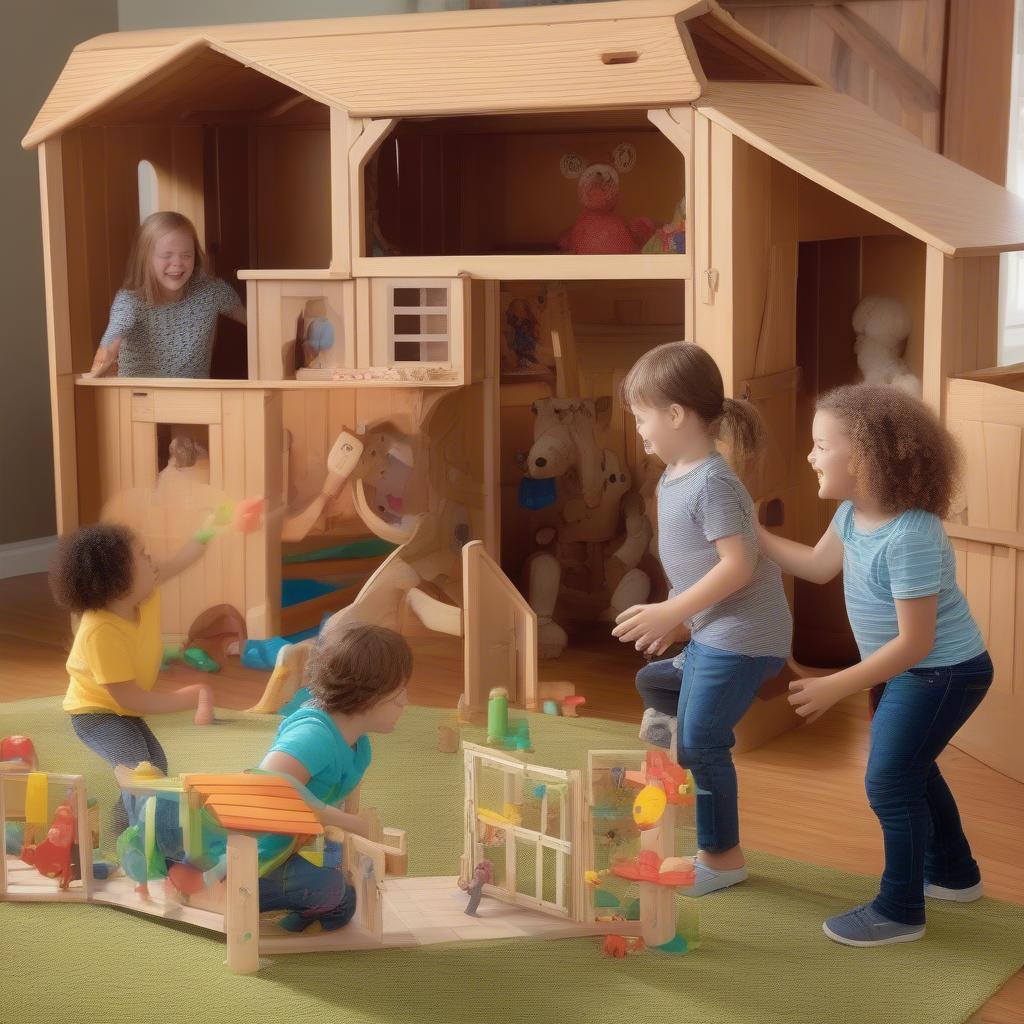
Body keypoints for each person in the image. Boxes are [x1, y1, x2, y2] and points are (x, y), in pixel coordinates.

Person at [757, 384, 991, 947]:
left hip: (941, 673)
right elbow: (816, 567)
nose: (810, 456)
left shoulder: (911, 534)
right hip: (904, 672)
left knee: (889, 779)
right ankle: (955, 875)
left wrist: (836, 684)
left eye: (820, 445)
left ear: (863, 456)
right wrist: (754, 535)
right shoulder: (849, 515)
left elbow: (915, 643)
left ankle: (900, 909)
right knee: (912, 767)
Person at [613, 341, 792, 896]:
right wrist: (681, 623)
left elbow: (739, 566)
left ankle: (722, 859)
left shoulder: (713, 481)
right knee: (652, 680)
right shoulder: (675, 475)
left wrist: (673, 610)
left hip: (745, 635)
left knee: (702, 744)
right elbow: (698, 569)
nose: (639, 429)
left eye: (642, 418)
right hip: (714, 631)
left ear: (675, 415)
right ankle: (676, 726)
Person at [246, 621, 412, 932]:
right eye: (400, 692)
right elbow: (265, 786)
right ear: (368, 695)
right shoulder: (314, 735)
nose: (406, 701)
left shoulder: (358, 745)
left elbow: (339, 819)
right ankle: (254, 900)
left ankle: (296, 911)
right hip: (253, 857)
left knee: (343, 901)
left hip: (285, 852)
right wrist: (347, 822)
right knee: (337, 897)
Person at [52, 522, 216, 835]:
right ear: (118, 582)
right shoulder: (100, 630)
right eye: (142, 555)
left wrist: (205, 531)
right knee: (140, 771)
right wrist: (192, 696)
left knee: (156, 765)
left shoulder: (142, 594)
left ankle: (123, 824)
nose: (152, 559)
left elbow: (179, 562)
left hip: (122, 709)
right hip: (96, 714)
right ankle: (139, 838)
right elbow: (129, 698)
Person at [84, 211, 245, 378]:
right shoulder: (130, 301)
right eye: (166, 255)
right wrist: (98, 372)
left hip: (194, 398)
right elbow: (108, 346)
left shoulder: (213, 292)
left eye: (186, 255)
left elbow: (258, 322)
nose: (177, 263)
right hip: (140, 399)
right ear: (146, 258)